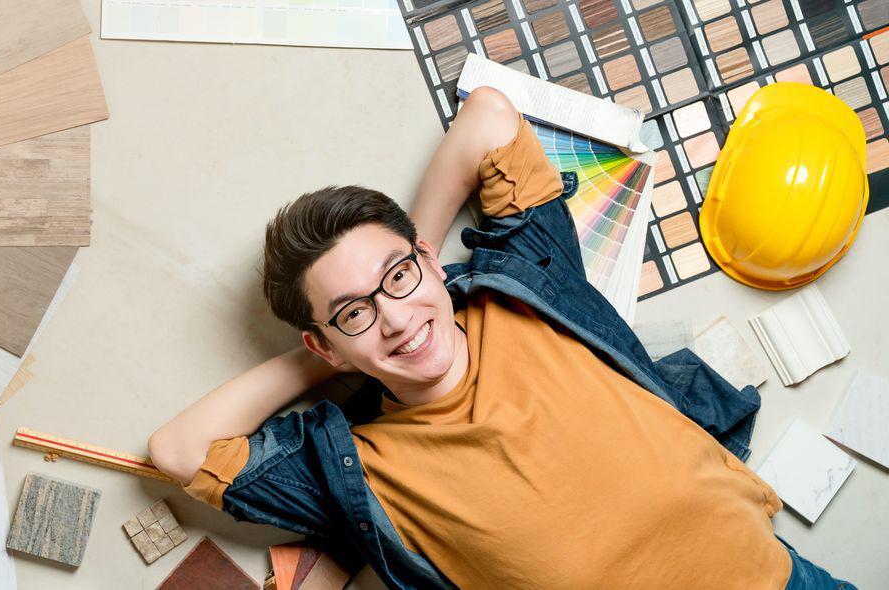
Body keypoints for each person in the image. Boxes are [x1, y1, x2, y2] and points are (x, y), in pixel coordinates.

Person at [148, 87, 855, 589]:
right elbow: (180, 450)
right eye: (354, 313)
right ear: (324, 344)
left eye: (397, 276)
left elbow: (488, 117)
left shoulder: (524, 286)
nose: (395, 318)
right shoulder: (359, 469)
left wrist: (405, 272)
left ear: (426, 257)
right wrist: (330, 361)